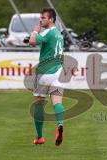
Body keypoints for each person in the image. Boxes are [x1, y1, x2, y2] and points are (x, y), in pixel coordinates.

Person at [29, 7, 65, 146]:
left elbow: (32, 41)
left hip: (44, 72)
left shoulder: (48, 32)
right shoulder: (59, 34)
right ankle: (60, 124)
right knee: (57, 102)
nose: (40, 20)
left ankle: (39, 137)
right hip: (57, 71)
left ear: (51, 19)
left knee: (39, 102)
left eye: (43, 17)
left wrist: (35, 31)